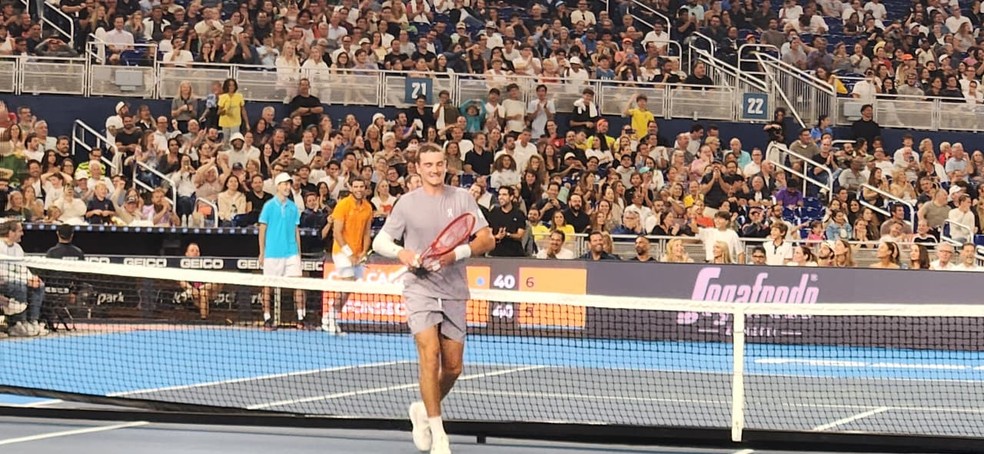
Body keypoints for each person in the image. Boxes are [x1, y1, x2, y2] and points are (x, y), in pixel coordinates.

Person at [371, 142, 495, 454]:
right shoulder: (407, 203)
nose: (435, 170)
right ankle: (439, 434)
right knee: (429, 355)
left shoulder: (463, 198)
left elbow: (486, 239)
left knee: (452, 367)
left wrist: (456, 254)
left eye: (439, 164)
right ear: (418, 168)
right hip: (419, 287)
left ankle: (423, 410)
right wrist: (402, 252)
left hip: (453, 288)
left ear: (445, 166)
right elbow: (380, 240)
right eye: (428, 165)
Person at [324, 176, 373, 336]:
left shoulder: (368, 207)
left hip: (358, 253)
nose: (359, 189)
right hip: (342, 251)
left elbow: (366, 232)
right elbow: (337, 232)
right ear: (351, 188)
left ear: (365, 188)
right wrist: (349, 254)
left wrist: (364, 251)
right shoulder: (342, 205)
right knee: (347, 284)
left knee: (350, 288)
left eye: (361, 186)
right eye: (356, 186)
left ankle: (333, 316)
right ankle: (328, 317)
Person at [258, 172, 305, 330]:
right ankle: (267, 318)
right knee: (267, 286)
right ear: (277, 186)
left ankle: (300, 317)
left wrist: (298, 252)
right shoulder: (269, 206)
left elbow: (295, 230)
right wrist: (262, 252)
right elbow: (262, 230)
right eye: (284, 184)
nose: (287, 187)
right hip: (272, 252)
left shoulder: (293, 207)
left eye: (288, 184)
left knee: (298, 283)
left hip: (291, 252)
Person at [0, 220, 46, 336]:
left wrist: (32, 278)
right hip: (3, 281)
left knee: (39, 285)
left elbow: (22, 268)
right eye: (20, 231)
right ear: (11, 232)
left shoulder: (18, 248)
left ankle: (33, 322)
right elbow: (2, 271)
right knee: (20, 286)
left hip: (15, 279)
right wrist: (25, 280)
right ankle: (18, 323)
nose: (22, 234)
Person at [177, 243, 222, 319]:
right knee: (200, 293)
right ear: (186, 254)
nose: (195, 252)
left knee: (203, 292)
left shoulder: (207, 265)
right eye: (192, 250)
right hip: (192, 295)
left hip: (208, 294)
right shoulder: (182, 267)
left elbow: (219, 281)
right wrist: (191, 288)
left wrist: (205, 286)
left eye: (197, 251)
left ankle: (203, 320)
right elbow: (180, 280)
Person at [487, 186, 527, 257]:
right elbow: (488, 233)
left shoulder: (519, 214)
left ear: (511, 197)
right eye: (499, 194)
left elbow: (520, 235)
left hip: (515, 254)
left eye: (504, 195)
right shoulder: (493, 213)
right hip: (495, 254)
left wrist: (507, 235)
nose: (500, 197)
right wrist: (497, 237)